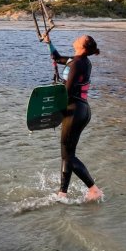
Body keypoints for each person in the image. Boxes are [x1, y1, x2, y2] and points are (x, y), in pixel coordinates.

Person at [45, 34, 104, 202]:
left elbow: (68, 92)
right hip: (79, 110)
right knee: (67, 154)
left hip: (74, 111)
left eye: (81, 38)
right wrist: (49, 42)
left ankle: (94, 190)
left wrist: (52, 109)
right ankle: (62, 193)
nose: (77, 38)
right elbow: (56, 58)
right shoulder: (77, 60)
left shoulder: (78, 63)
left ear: (83, 46)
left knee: (68, 156)